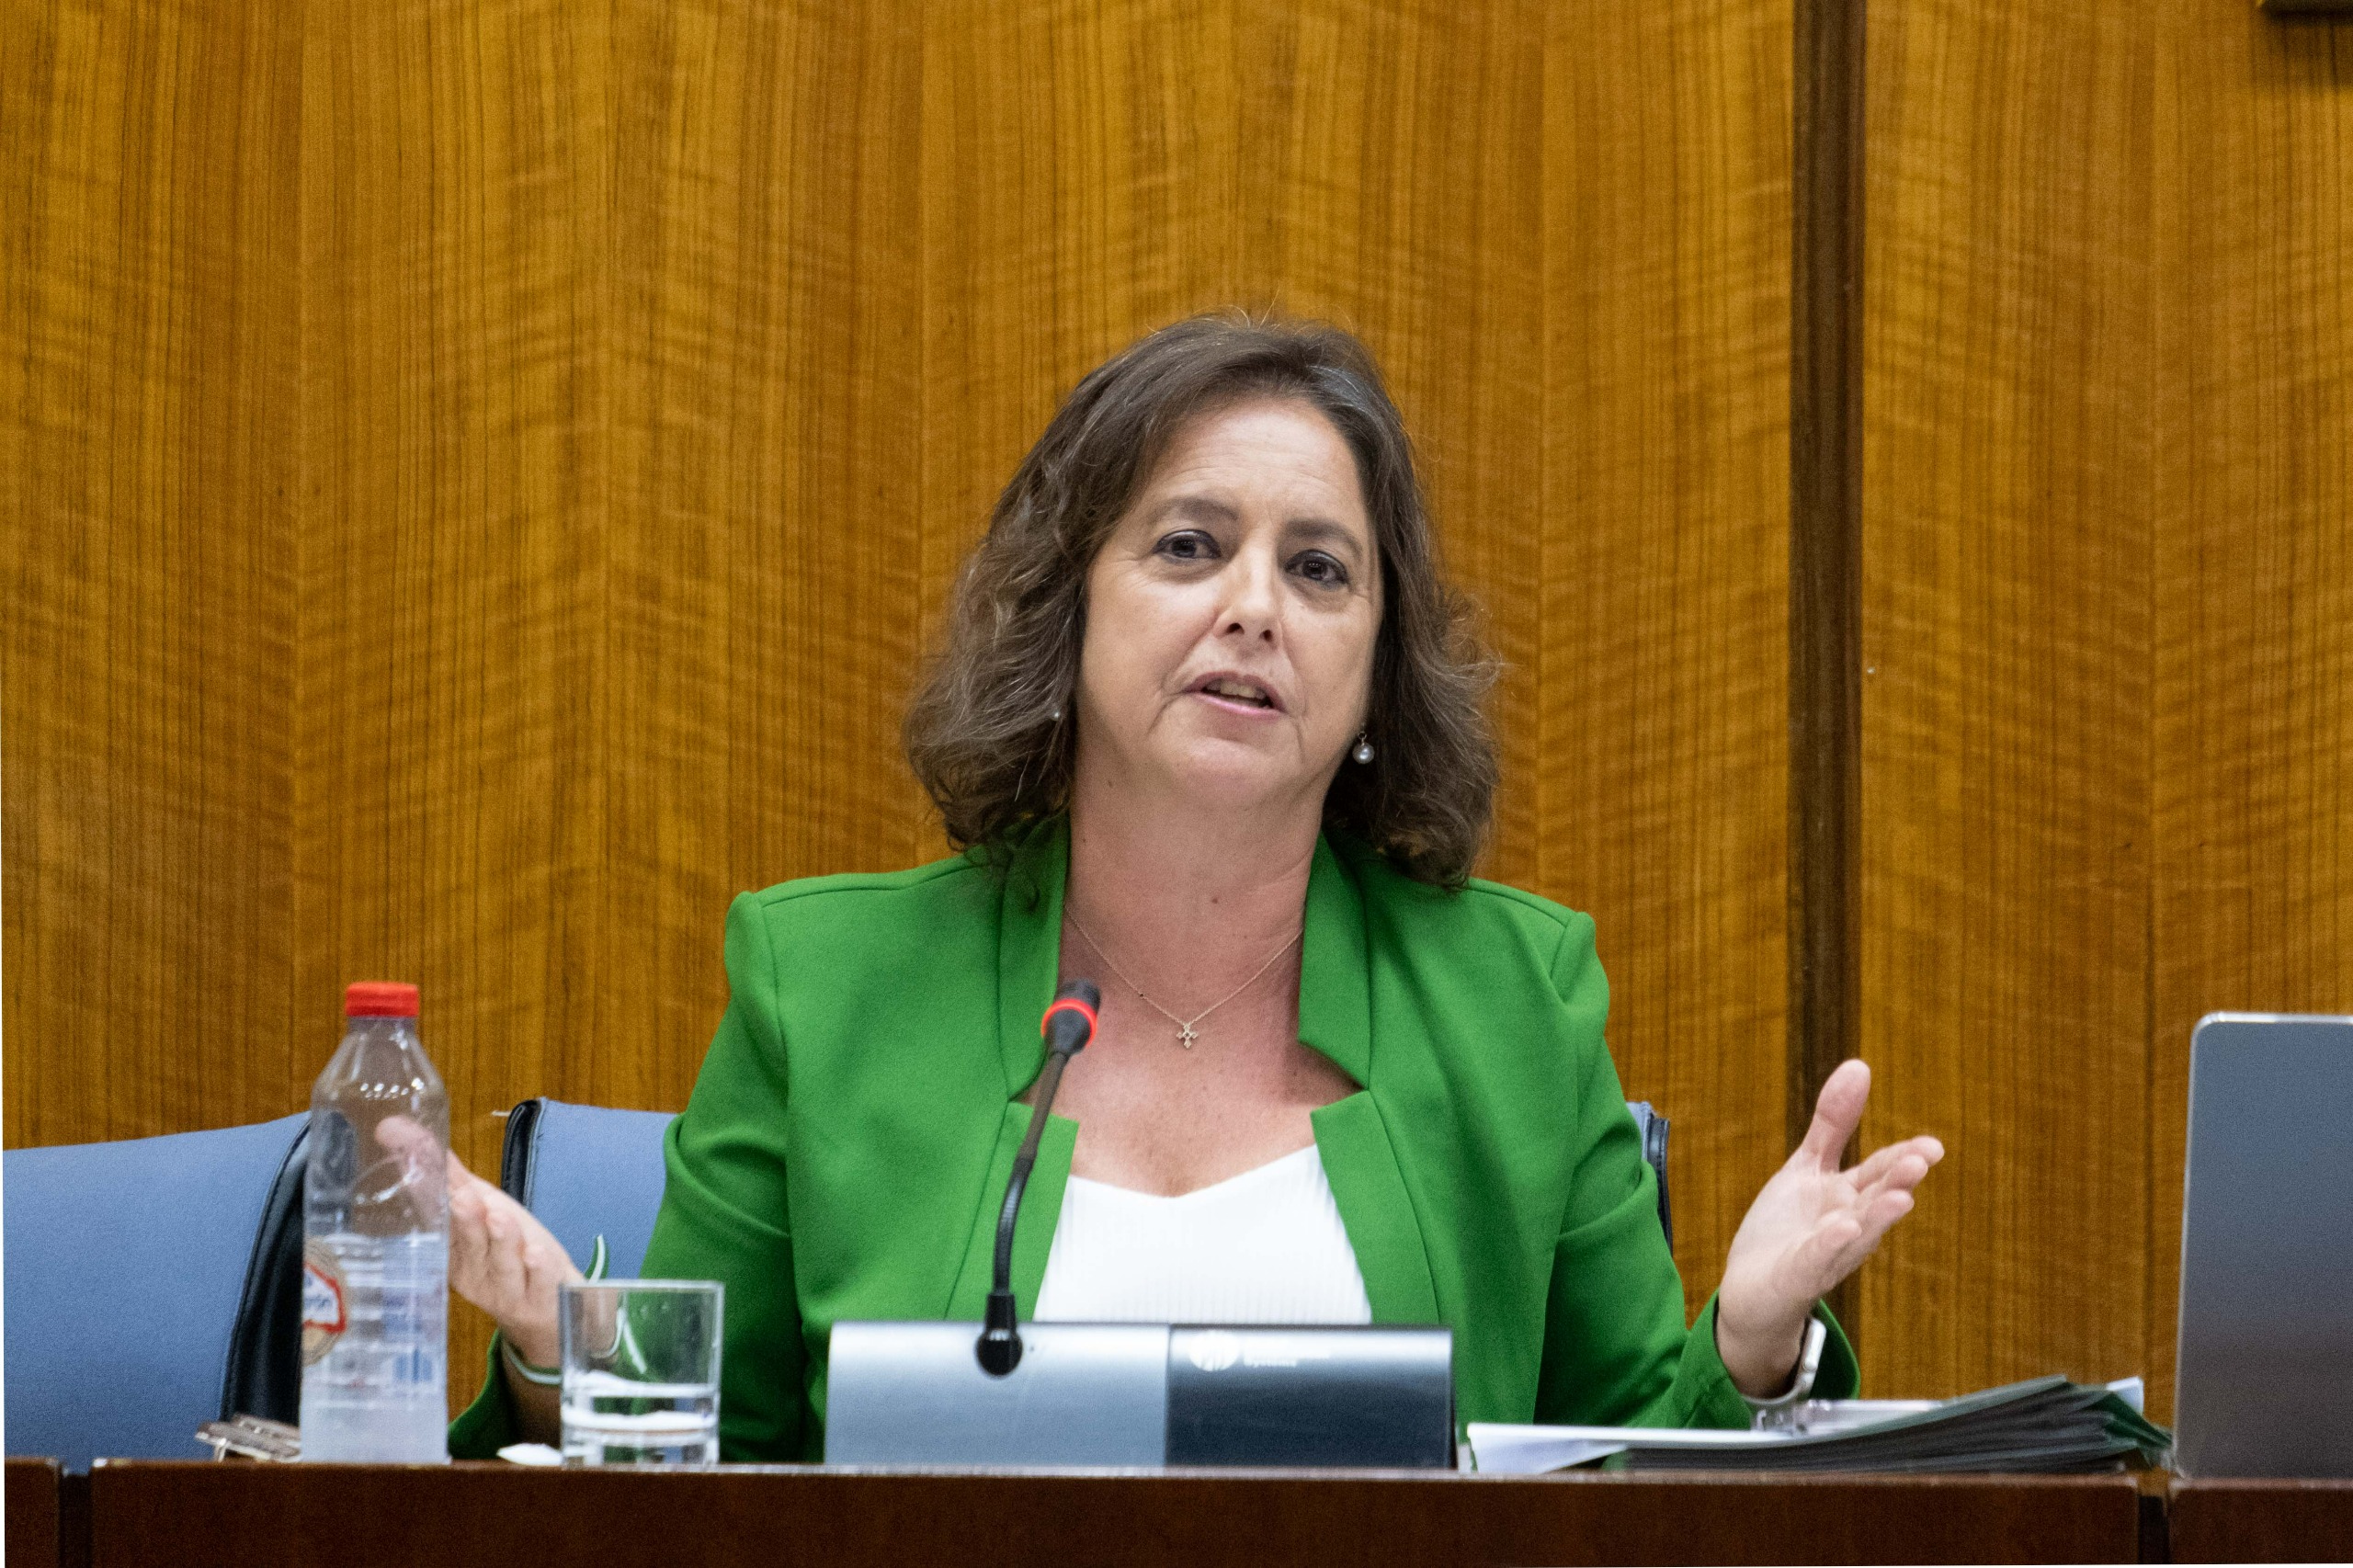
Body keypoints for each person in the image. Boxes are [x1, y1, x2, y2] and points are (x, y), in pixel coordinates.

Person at [437, 314, 1942, 1460]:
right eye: (1189, 544)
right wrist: (570, 1358)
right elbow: (700, 1478)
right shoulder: (824, 986)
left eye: (1321, 569)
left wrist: (1752, 1345)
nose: (1253, 608)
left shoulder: (1514, 1000)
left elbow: (1635, 1483)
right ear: (1069, 615)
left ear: (1373, 674)